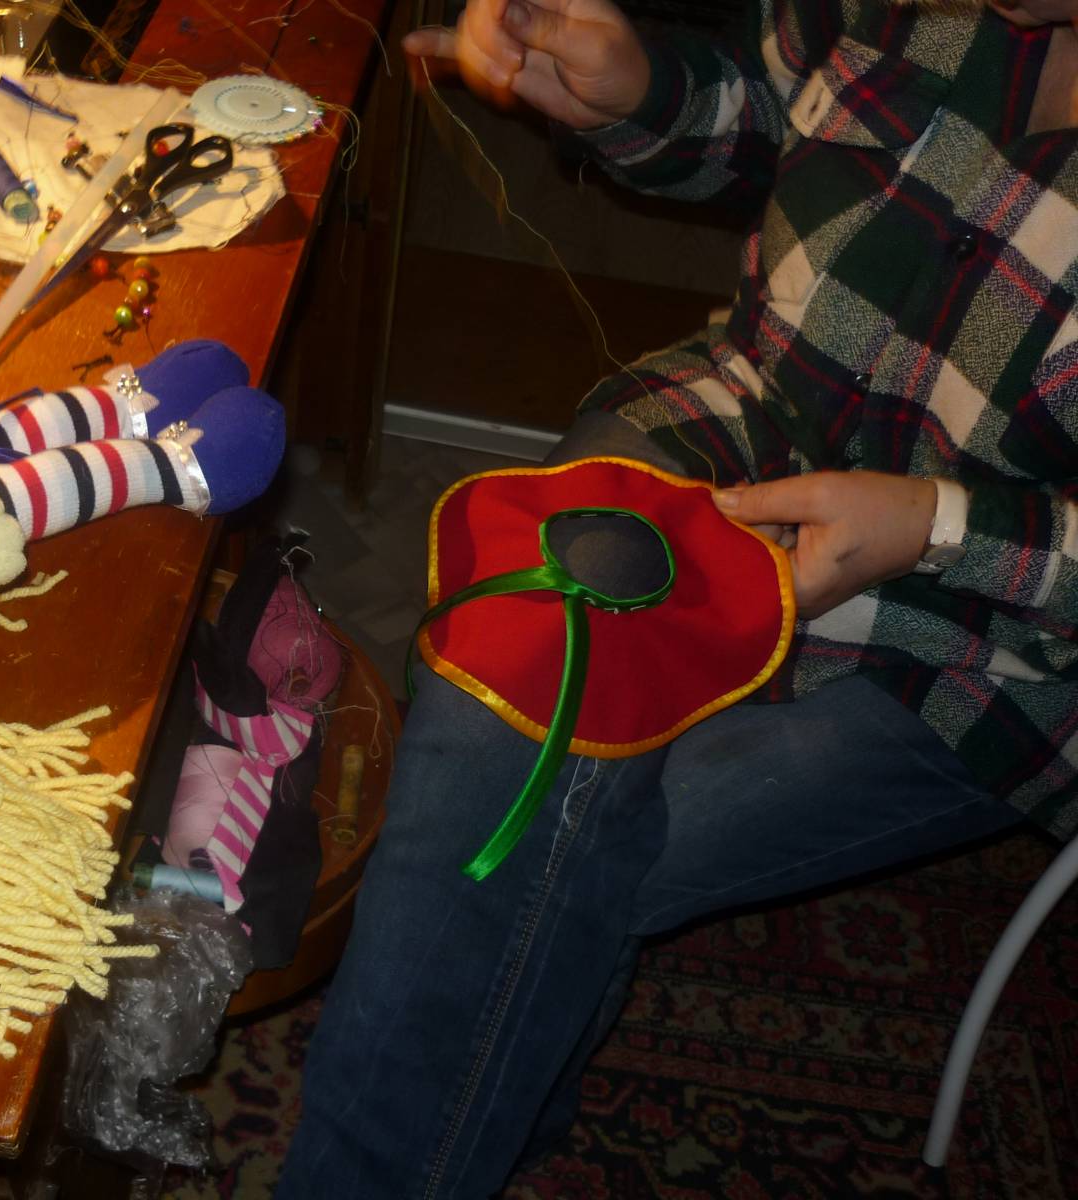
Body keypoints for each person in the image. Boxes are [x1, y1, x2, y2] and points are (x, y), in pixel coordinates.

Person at [274, 0, 1078, 1193]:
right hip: (736, 433)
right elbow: (764, 119)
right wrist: (644, 90)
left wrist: (938, 526)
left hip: (983, 646)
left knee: (554, 851)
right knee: (502, 711)